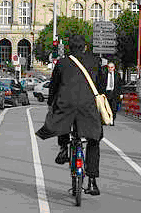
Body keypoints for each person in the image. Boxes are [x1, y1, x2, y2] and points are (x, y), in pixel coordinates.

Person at [35, 35, 103, 196]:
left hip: (66, 103)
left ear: (68, 48)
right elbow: (100, 85)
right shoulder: (94, 62)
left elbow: (54, 86)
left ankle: (63, 149)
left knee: (62, 121)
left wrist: (51, 103)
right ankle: (92, 181)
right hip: (88, 106)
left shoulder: (62, 63)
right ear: (85, 47)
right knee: (95, 138)